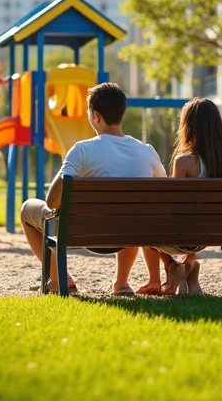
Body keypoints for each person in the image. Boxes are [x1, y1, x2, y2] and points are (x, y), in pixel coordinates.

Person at [19, 82, 166, 295]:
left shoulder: (81, 150)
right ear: (121, 114)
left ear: (95, 116)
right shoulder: (147, 151)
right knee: (131, 210)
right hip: (131, 231)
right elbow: (161, 194)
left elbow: (52, 201)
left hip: (82, 233)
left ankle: (60, 279)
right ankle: (121, 283)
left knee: (26, 209)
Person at [142, 98, 222, 296]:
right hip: (210, 234)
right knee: (198, 219)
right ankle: (189, 269)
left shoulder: (184, 162)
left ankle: (171, 266)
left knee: (144, 224)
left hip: (183, 236)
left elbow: (175, 209)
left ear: (188, 127)